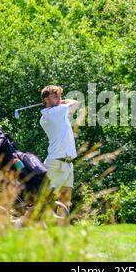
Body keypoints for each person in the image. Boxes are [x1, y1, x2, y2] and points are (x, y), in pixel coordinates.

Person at [39, 85, 79, 222]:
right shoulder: (56, 113)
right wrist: (61, 102)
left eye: (60, 96)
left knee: (65, 199)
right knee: (45, 199)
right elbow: (75, 102)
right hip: (57, 164)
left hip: (67, 163)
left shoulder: (54, 113)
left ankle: (62, 226)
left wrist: (57, 101)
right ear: (46, 100)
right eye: (55, 96)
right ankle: (33, 223)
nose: (59, 98)